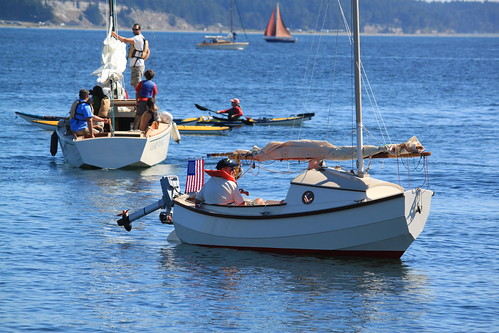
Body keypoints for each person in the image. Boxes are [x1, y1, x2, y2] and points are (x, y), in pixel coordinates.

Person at [195, 158, 265, 207]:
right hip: (230, 211)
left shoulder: (209, 182)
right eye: (232, 169)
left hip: (214, 210)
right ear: (223, 169)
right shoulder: (231, 183)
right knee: (260, 200)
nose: (234, 171)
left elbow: (197, 200)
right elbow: (241, 204)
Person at [111, 23, 150, 88]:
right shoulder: (142, 38)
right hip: (137, 64)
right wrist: (142, 60)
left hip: (137, 65)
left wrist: (115, 35)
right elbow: (148, 51)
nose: (134, 31)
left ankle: (139, 98)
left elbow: (125, 40)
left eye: (136, 29)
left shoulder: (138, 38)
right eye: (133, 29)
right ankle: (139, 97)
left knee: (136, 85)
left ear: (140, 30)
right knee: (135, 84)